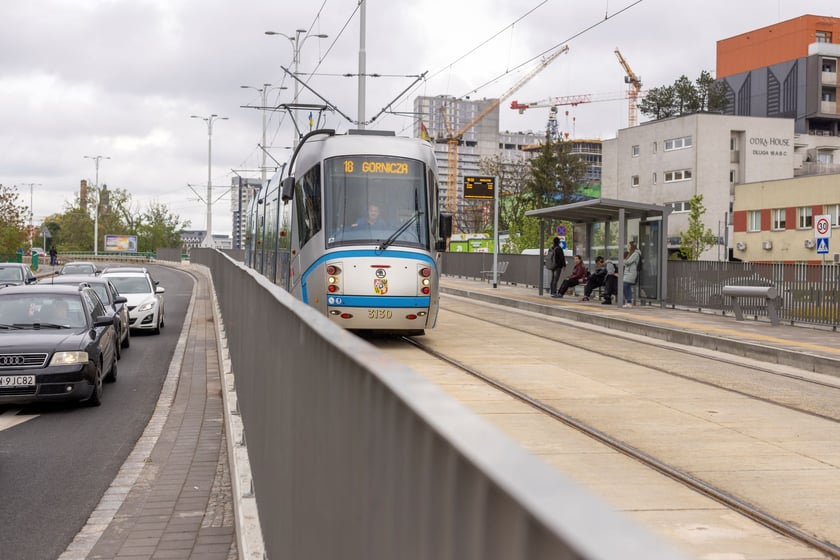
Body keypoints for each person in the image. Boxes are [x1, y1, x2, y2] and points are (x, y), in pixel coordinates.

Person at [622, 241, 641, 308]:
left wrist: (624, 260)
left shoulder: (635, 254)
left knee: (625, 286)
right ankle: (628, 302)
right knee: (626, 286)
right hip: (628, 273)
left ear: (632, 246)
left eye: (629, 245)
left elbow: (627, 262)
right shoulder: (631, 253)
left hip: (631, 273)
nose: (628, 247)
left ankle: (629, 301)